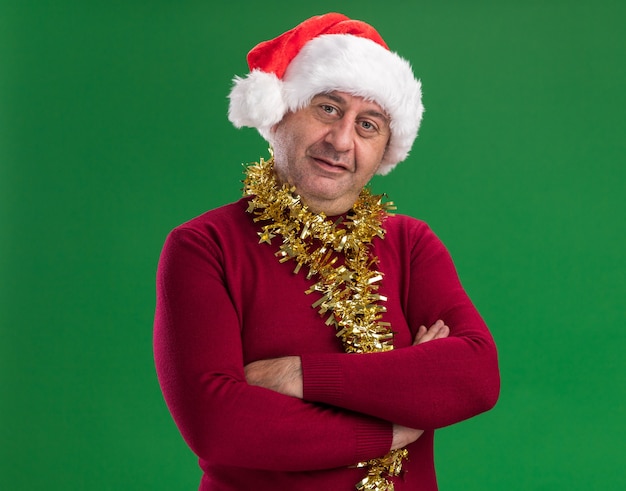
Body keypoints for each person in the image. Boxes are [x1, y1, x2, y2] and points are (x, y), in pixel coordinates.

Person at [153, 12, 500, 491]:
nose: (341, 141)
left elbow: (473, 377)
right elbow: (219, 428)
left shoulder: (410, 244)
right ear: (279, 112)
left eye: (368, 125)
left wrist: (299, 375)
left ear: (385, 150)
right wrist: (394, 423)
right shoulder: (203, 247)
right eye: (328, 108)